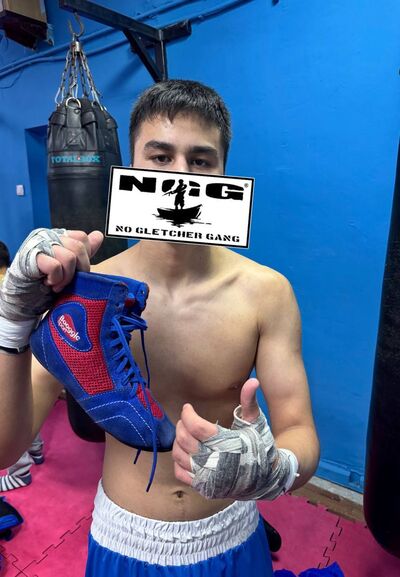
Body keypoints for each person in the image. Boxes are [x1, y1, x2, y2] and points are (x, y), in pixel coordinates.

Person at [0, 80, 320, 576]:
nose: (180, 177)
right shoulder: (86, 292)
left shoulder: (266, 292)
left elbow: (300, 431)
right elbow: (5, 449)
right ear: (130, 166)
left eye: (201, 160)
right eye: (160, 156)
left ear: (223, 171)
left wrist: (277, 468)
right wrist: (12, 323)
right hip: (126, 540)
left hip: (232, 532)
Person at [0, 240, 45, 491]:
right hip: (28, 359)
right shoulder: (18, 283)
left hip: (8, 362)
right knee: (24, 403)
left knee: (8, 413)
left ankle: (20, 471)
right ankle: (36, 449)